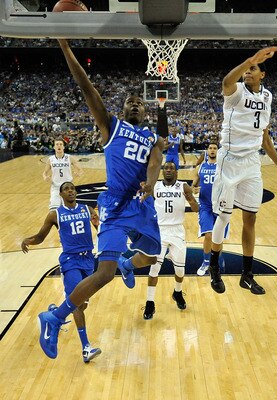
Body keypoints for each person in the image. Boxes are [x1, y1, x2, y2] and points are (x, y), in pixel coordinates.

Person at [36, 39, 165, 359]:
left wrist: (150, 184)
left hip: (142, 205)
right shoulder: (111, 126)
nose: (135, 104)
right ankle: (55, 316)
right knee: (105, 273)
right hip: (117, 206)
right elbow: (85, 85)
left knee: (154, 255)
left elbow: (155, 162)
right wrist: (66, 48)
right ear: (121, 110)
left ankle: (127, 261)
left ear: (146, 111)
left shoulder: (152, 138)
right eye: (130, 102)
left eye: (139, 102)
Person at [210, 46, 277, 295]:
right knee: (224, 217)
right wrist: (249, 60)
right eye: (247, 69)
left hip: (252, 162)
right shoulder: (235, 92)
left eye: (253, 69)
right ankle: (214, 269)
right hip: (229, 160)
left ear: (263, 75)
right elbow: (226, 80)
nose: (248, 72)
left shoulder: (268, 97)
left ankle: (247, 275)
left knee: (251, 217)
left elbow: (265, 136)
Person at [21, 181, 101, 363]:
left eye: (73, 188)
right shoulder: (54, 214)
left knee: (81, 304)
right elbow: (41, 237)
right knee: (78, 303)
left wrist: (99, 224)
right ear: (61, 194)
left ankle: (56, 311)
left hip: (88, 259)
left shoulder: (87, 210)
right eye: (67, 189)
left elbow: (99, 229)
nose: (71, 191)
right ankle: (86, 347)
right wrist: (29, 240)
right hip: (70, 260)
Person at [143, 161, 199, 320]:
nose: (168, 170)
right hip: (159, 231)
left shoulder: (183, 187)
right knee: (154, 270)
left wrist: (192, 200)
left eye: (171, 168)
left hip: (177, 231)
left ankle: (177, 292)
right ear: (162, 171)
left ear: (177, 171)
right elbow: (142, 201)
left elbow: (196, 209)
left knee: (180, 271)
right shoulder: (155, 187)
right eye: (165, 168)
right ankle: (149, 303)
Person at [191, 142, 228, 276]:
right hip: (205, 206)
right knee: (208, 235)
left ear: (218, 151)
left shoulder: (223, 167)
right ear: (207, 151)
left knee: (218, 237)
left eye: (215, 148)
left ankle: (218, 258)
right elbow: (193, 186)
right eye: (210, 148)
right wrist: (193, 189)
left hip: (220, 206)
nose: (212, 150)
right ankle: (206, 262)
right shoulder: (200, 167)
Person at [43, 137, 83, 210]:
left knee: (69, 211)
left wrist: (78, 173)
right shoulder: (51, 159)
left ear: (63, 147)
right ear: (54, 147)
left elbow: (80, 170)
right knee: (54, 211)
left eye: (61, 144)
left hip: (68, 187)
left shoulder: (69, 158)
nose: (59, 146)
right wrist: (45, 177)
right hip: (56, 187)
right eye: (57, 144)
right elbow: (45, 172)